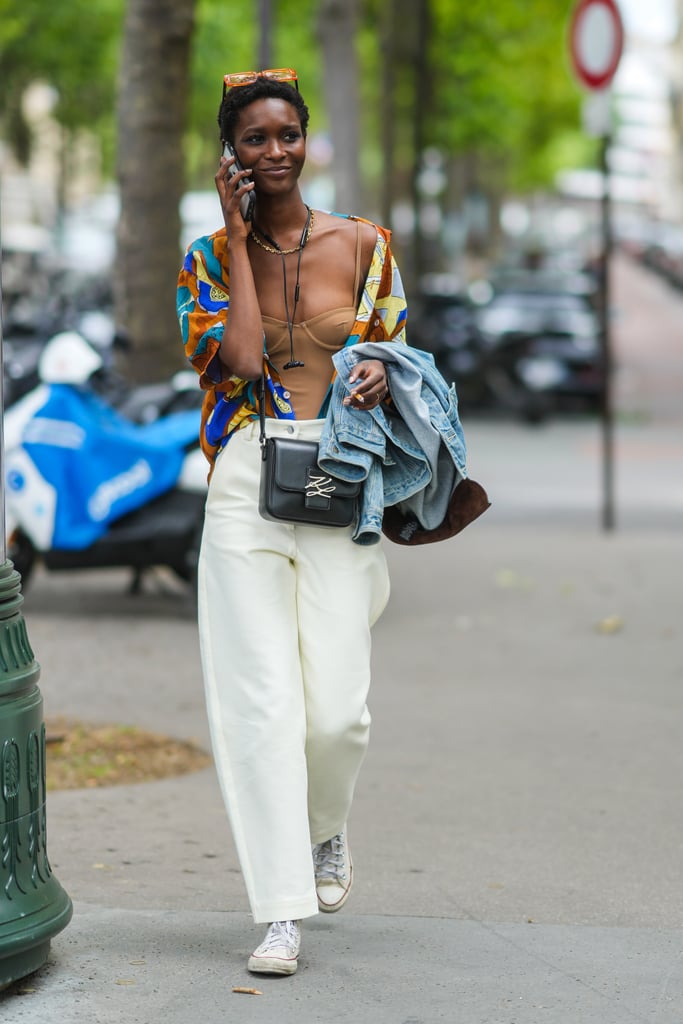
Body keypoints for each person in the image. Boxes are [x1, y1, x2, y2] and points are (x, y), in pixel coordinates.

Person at [176, 68, 408, 977]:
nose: (273, 152)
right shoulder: (204, 256)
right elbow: (233, 360)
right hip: (246, 478)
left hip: (339, 474)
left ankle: (323, 829)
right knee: (261, 706)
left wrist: (381, 371)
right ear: (230, 153)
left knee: (337, 714)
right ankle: (279, 911)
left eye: (287, 136)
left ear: (306, 139)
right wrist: (236, 240)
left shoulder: (364, 245)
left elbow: (398, 352)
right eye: (254, 140)